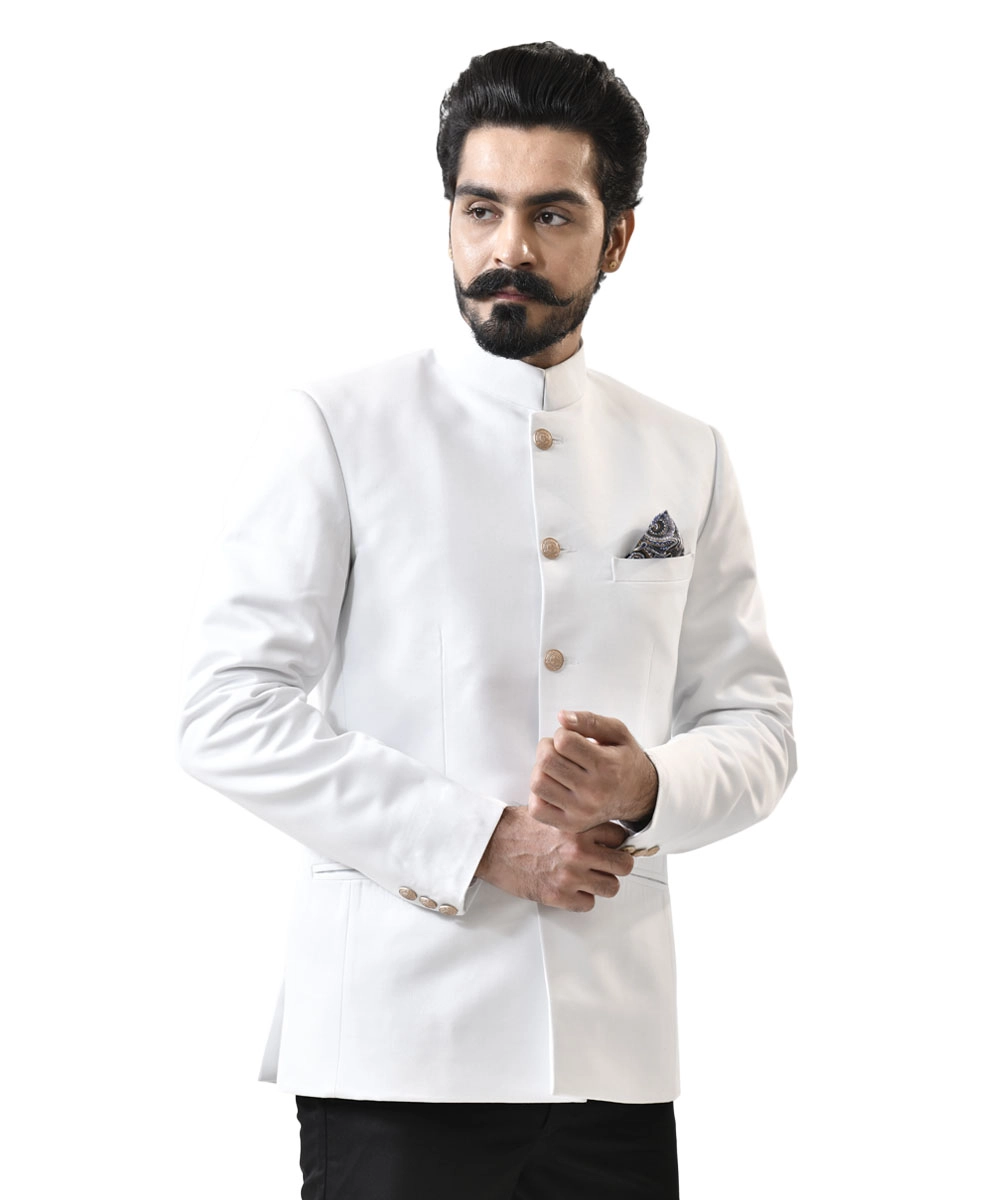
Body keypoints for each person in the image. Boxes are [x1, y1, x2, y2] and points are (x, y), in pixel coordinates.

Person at [177, 41, 796, 1200]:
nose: (508, 247)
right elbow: (226, 712)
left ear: (617, 236)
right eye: (480, 209)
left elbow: (755, 724)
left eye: (552, 214)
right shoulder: (338, 426)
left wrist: (649, 785)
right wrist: (479, 842)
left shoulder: (684, 453)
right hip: (395, 1050)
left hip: (612, 1059)